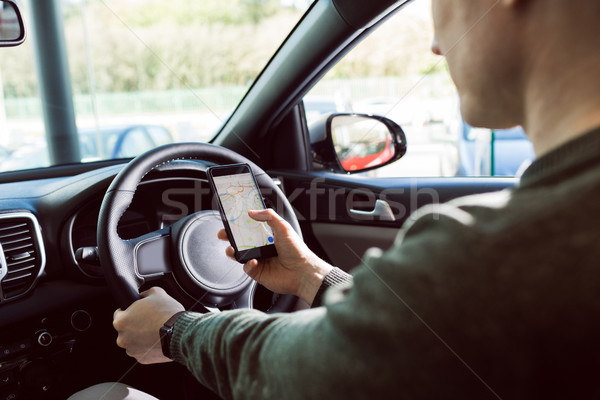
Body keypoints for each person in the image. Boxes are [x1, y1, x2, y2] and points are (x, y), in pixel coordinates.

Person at [71, 0, 600, 398]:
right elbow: (427, 338)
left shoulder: (496, 251)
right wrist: (311, 276)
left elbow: (310, 371)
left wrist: (172, 329)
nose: (436, 46)